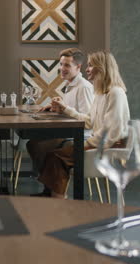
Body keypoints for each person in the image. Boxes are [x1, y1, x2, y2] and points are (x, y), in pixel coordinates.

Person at [38, 51, 130, 198]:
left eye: (90, 65)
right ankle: (57, 199)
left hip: (108, 146)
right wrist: (65, 109)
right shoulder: (101, 93)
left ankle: (58, 201)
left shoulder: (116, 93)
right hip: (98, 142)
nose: (87, 69)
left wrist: (86, 143)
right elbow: (89, 120)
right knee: (53, 156)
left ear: (102, 68)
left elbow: (111, 132)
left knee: (55, 157)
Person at [27, 48, 94, 196]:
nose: (62, 69)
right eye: (61, 64)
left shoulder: (84, 87)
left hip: (81, 136)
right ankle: (49, 188)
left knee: (38, 145)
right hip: (68, 132)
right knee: (33, 144)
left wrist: (65, 108)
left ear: (78, 67)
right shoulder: (69, 84)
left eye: (67, 65)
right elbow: (70, 109)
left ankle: (52, 191)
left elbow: (88, 120)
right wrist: (55, 107)